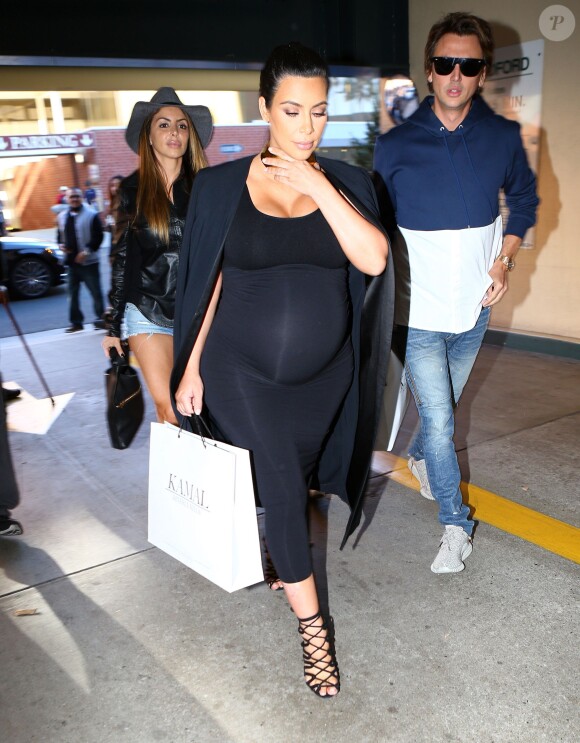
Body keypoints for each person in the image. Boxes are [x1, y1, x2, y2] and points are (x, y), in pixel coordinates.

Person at [171, 43, 392, 697]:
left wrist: (317, 183)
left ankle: (280, 550)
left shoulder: (350, 183)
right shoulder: (218, 187)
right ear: (264, 106)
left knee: (291, 482)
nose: (305, 127)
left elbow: (375, 259)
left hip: (325, 379)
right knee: (282, 482)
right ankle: (314, 634)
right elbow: (206, 280)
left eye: (319, 113)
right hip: (239, 368)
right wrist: (191, 366)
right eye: (292, 110)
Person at [373, 12, 539, 574]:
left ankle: (420, 459)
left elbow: (526, 200)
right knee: (442, 420)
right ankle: (454, 525)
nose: (455, 75)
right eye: (446, 63)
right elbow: (373, 227)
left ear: (482, 73)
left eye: (468, 66)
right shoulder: (393, 148)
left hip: (474, 309)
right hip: (417, 312)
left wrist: (506, 258)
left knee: (440, 419)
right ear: (429, 70)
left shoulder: (502, 137)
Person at [101, 88, 212, 425]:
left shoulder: (207, 186)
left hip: (198, 313)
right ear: (148, 136)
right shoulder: (132, 190)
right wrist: (112, 325)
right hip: (147, 311)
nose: (174, 132)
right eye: (163, 125)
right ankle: (183, 478)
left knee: (204, 407)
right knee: (170, 408)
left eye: (181, 125)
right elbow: (121, 260)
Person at [57, 187, 106, 332]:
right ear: (66, 198)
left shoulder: (91, 215)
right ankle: (76, 323)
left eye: (77, 196)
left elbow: (99, 237)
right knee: (72, 295)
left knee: (96, 292)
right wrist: (61, 245)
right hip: (71, 263)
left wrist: (86, 251)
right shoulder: (61, 216)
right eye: (71, 197)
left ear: (81, 198)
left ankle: (101, 319)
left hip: (89, 262)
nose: (74, 199)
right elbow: (59, 236)